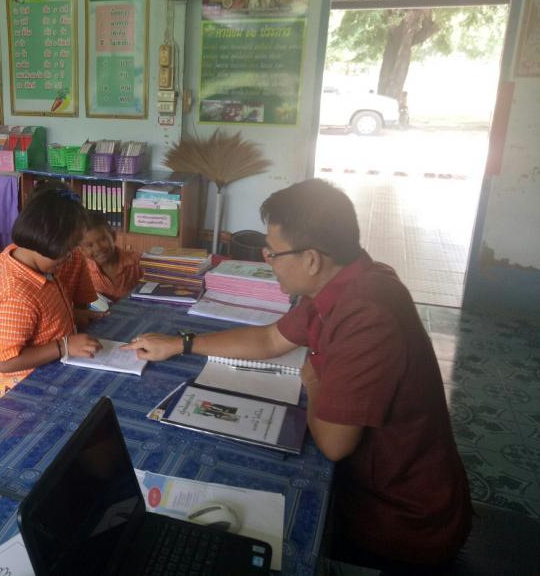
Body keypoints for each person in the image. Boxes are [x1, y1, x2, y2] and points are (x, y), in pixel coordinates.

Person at [123, 178, 472, 573]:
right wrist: (180, 344)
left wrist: (315, 382)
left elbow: (335, 445)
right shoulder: (345, 281)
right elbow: (271, 339)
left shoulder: (366, 315)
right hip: (375, 492)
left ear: (311, 259)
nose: (268, 261)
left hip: (400, 520)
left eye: (272, 253)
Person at [0, 186, 102, 400]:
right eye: (67, 250)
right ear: (48, 242)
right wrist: (64, 346)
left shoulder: (39, 267)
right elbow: (6, 362)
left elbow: (36, 318)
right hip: (22, 393)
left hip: (50, 372)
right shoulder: (16, 296)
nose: (70, 257)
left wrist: (71, 316)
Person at [79, 211, 142, 302]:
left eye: (103, 239)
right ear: (82, 250)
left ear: (113, 236)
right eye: (89, 245)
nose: (98, 248)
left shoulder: (138, 263)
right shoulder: (83, 271)